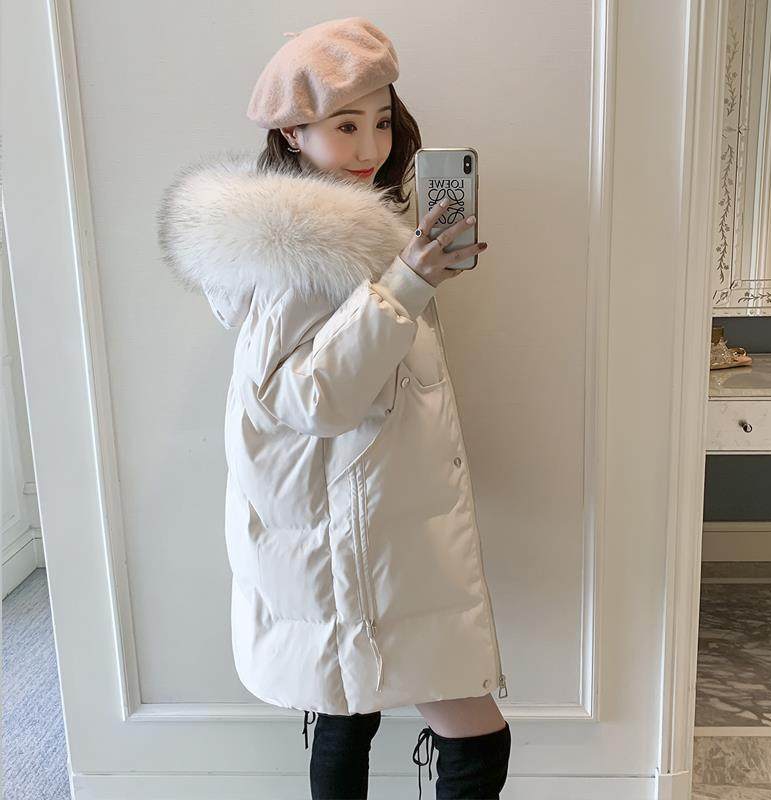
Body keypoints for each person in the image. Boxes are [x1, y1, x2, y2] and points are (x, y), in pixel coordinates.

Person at [157, 16, 511, 800]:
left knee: (346, 711)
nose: (371, 145)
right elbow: (309, 397)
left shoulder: (348, 228)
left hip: (357, 522)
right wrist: (409, 282)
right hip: (349, 535)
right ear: (292, 132)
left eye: (382, 121)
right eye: (346, 125)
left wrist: (409, 270)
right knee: (472, 735)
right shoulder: (307, 248)